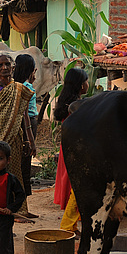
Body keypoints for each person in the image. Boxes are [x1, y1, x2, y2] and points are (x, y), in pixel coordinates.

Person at [0, 54, 37, 220]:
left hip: (13, 139)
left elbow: (24, 116)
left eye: (7, 64)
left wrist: (29, 141)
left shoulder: (19, 89)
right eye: (0, 65)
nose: (4, 68)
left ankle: (16, 212)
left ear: (13, 67)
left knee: (13, 177)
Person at [53, 67, 89, 234]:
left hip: (67, 148)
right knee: (77, 188)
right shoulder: (76, 106)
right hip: (76, 150)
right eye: (86, 81)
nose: (88, 84)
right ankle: (69, 226)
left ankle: (72, 225)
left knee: (73, 187)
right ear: (81, 86)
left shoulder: (66, 103)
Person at [12, 53, 38, 201]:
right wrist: (31, 140)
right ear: (31, 71)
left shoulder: (15, 85)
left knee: (21, 163)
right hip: (27, 125)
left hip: (23, 125)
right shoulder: (27, 88)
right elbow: (25, 114)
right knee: (25, 164)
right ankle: (21, 204)